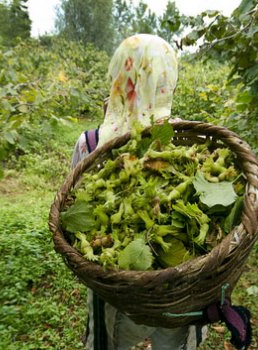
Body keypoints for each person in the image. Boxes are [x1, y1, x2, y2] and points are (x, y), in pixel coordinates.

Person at [71, 34, 205, 350]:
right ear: (167, 80)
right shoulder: (187, 139)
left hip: (113, 285)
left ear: (118, 77)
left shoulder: (89, 143)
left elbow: (72, 209)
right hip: (175, 286)